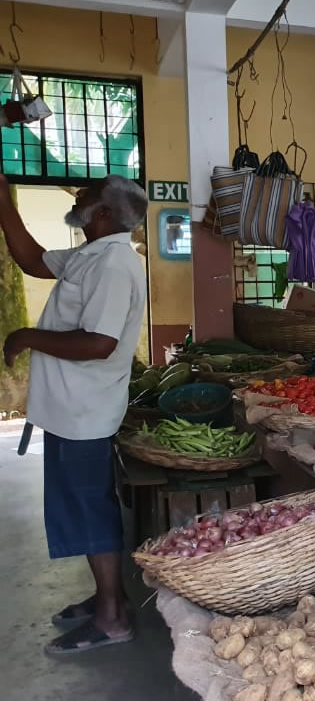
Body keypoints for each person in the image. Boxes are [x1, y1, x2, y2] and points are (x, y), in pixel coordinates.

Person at [1, 174, 148, 654]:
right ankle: (109, 597)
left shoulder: (114, 265)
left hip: (86, 414)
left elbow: (99, 343)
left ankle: (112, 619)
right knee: (83, 510)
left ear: (104, 212)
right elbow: (31, 259)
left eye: (87, 196)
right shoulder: (91, 255)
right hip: (69, 412)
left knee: (90, 512)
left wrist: (26, 336)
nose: (78, 199)